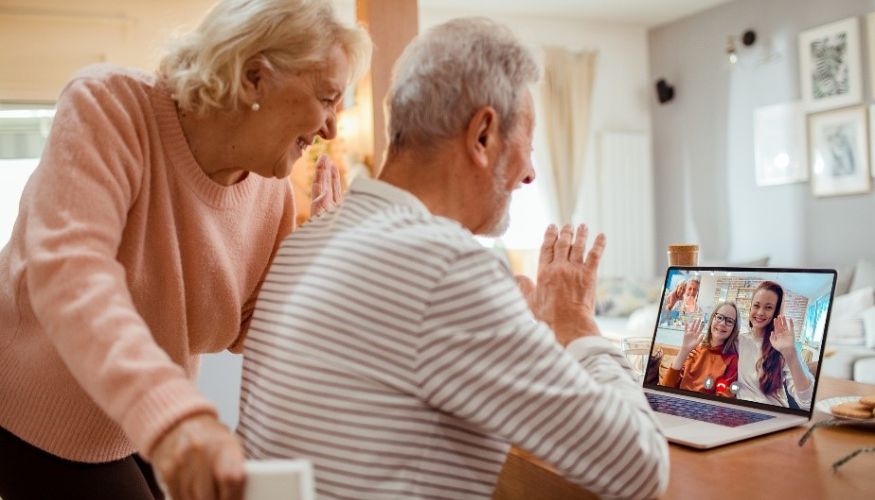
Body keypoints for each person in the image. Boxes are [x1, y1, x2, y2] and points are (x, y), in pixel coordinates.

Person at [237, 18, 668, 499]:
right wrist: (575, 324)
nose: (530, 173)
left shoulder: (303, 243)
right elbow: (639, 468)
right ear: (482, 134)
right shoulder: (443, 267)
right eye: (528, 142)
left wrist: (514, 335)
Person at [0, 1, 371, 499]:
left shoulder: (271, 194)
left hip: (135, 423)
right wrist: (176, 416)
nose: (331, 127)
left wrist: (322, 256)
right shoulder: (110, 107)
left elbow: (257, 331)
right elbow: (70, 275)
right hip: (36, 411)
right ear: (253, 78)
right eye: (327, 97)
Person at [736, 281, 814, 408]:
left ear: (775, 312)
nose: (760, 312)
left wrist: (791, 353)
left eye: (768, 307)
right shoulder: (737, 341)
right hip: (741, 411)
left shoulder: (782, 346)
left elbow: (807, 402)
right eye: (756, 305)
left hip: (775, 412)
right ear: (750, 307)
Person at [661, 302, 740, 397]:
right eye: (719, 317)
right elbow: (665, 387)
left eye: (729, 321)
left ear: (734, 328)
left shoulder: (732, 360)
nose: (723, 323)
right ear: (712, 319)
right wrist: (684, 351)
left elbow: (723, 400)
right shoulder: (694, 351)